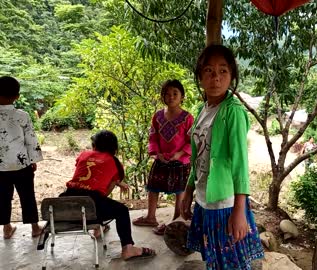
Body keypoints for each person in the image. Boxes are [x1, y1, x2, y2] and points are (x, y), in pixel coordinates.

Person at [182, 45, 264, 269]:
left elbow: (240, 164)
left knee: (231, 263)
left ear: (232, 76)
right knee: (214, 260)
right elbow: (197, 158)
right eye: (208, 71)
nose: (215, 78)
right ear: (200, 76)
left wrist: (240, 210)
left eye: (223, 71)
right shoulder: (202, 109)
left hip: (225, 205)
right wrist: (189, 192)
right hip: (204, 200)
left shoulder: (233, 112)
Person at [60, 130, 156, 260]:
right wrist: (117, 183)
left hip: (65, 204)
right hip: (91, 208)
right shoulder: (114, 162)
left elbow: (86, 175)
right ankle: (128, 248)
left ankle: (100, 227)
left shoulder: (84, 154)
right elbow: (106, 188)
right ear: (114, 148)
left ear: (94, 145)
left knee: (100, 202)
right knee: (120, 210)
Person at [132, 79, 194, 236]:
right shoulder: (157, 116)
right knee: (153, 186)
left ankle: (175, 220)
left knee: (180, 191)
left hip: (180, 161)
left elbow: (192, 141)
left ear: (182, 97)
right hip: (161, 159)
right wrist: (157, 153)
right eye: (167, 94)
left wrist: (179, 154)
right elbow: (152, 137)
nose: (171, 97)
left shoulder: (188, 118)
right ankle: (150, 217)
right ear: (162, 97)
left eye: (175, 93)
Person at [0, 76, 43, 240]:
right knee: (27, 196)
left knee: (2, 198)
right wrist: (33, 160)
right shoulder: (22, 115)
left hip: (0, 168)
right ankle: (34, 228)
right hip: (22, 164)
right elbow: (31, 139)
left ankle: (6, 227)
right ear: (17, 96)